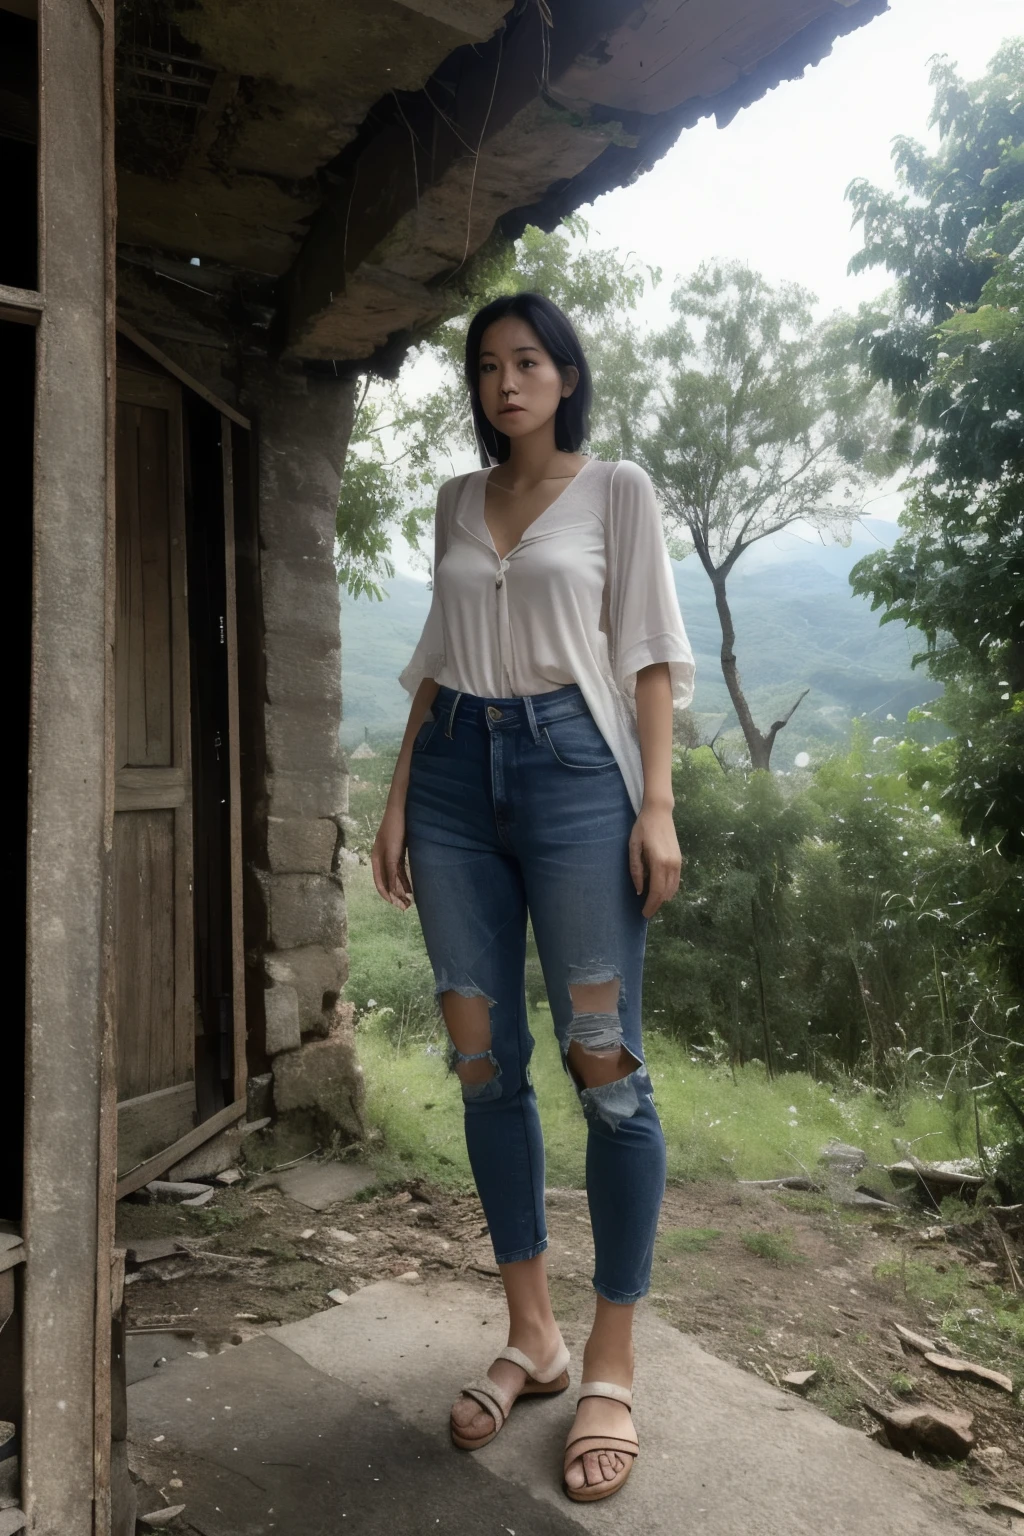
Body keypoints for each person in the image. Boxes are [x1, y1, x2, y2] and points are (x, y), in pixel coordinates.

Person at [370, 291, 695, 1503]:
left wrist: (653, 805)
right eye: (488, 366)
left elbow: (651, 653)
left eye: (529, 362)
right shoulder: (460, 502)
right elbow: (436, 656)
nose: (507, 382)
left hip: (573, 776)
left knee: (603, 1061)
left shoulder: (616, 491)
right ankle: (534, 1336)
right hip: (452, 775)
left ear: (564, 376)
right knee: (479, 1061)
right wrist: (401, 798)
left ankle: (611, 1358)